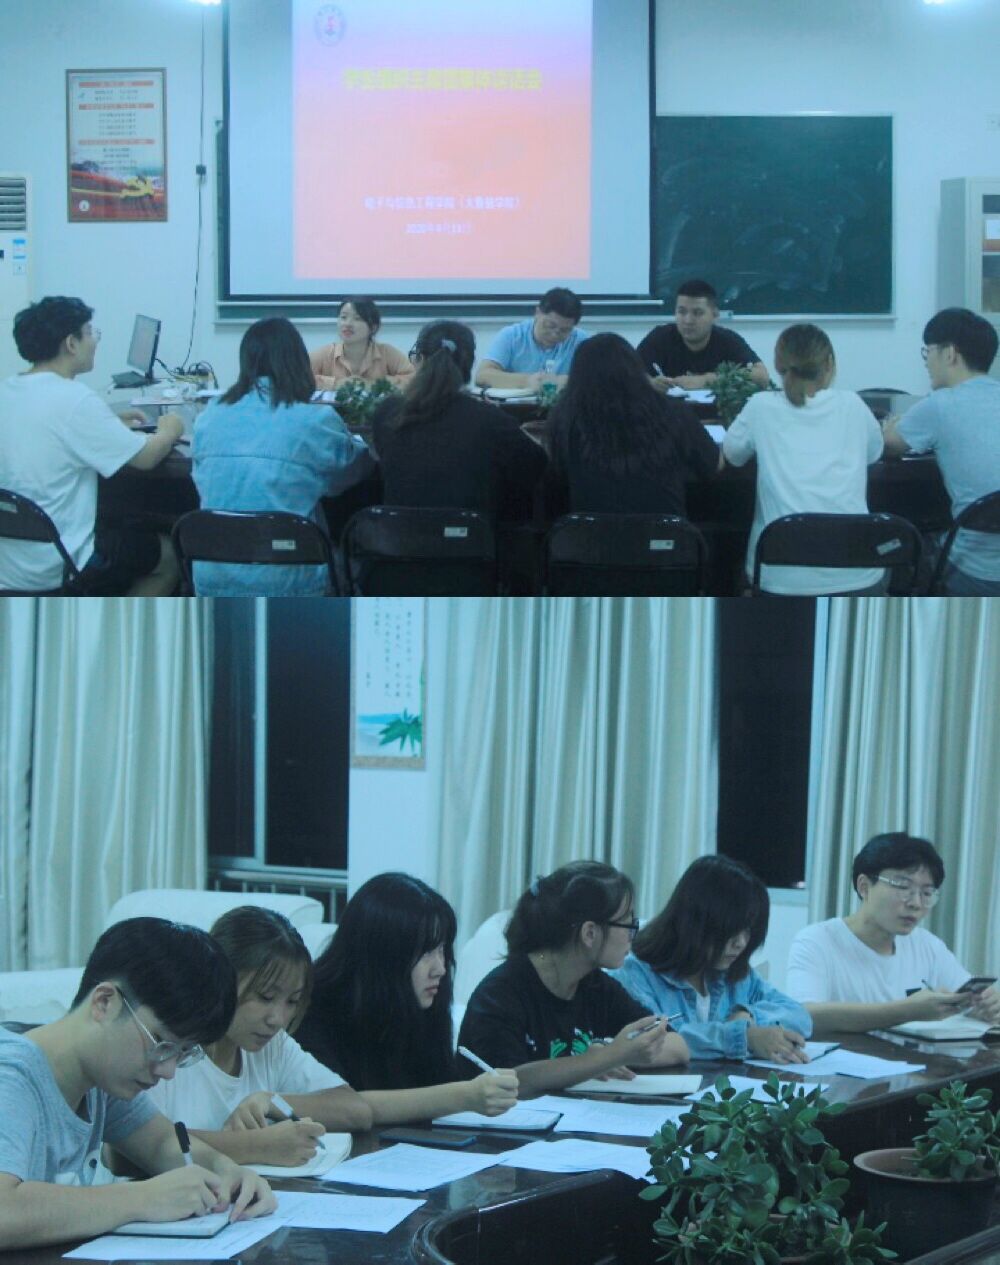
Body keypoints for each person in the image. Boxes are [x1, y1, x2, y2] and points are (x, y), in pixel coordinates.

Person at [0, 917, 276, 1251]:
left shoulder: (98, 1078)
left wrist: (228, 1172)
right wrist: (144, 1197)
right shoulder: (11, 1075)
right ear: (105, 1002)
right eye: (161, 1043)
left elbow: (161, 1143)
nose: (168, 1070)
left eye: (183, 1053)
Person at [147, 907, 372, 1166]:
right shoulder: (170, 1044)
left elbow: (356, 1110)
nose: (278, 1019)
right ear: (223, 977)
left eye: (292, 1001)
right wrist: (256, 1146)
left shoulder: (272, 1045)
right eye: (265, 997)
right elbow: (131, 1148)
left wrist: (272, 1101)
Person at [295, 874, 518, 1123]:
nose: (440, 969)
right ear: (382, 955)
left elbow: (435, 1086)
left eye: (442, 949)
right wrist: (464, 1095)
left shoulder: (423, 1004)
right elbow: (340, 1106)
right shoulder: (314, 1010)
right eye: (426, 952)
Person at [0, 296, 183, 595]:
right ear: (71, 343)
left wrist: (106, 423)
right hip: (58, 563)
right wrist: (169, 429)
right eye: (90, 332)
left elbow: (48, 430)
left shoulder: (7, 390)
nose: (95, 340)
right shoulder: (75, 400)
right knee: (171, 556)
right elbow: (147, 457)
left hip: (9, 564)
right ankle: (117, 626)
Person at [457, 862, 690, 1096]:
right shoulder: (501, 993)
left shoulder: (596, 986)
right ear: (590, 933)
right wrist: (607, 1057)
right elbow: (509, 1081)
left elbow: (678, 1046)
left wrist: (607, 1055)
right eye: (628, 924)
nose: (633, 935)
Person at [191, 316, 374, 595]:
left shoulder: (209, 415)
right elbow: (348, 476)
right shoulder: (315, 420)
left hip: (211, 576)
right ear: (298, 362)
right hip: (289, 579)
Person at [722, 322, 885, 595]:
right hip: (856, 574)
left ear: (778, 365)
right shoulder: (853, 405)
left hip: (779, 578)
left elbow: (733, 455)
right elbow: (874, 454)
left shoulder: (761, 407)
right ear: (829, 364)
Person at [786, 832, 1000, 1038]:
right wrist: (907, 1011)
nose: (916, 903)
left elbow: (964, 995)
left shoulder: (926, 945)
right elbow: (805, 1015)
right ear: (864, 887)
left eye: (926, 893)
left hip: (910, 1061)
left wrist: (979, 1008)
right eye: (903, 887)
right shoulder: (817, 941)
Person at [611, 856, 811, 1063]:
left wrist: (747, 1015)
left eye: (748, 931)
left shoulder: (736, 973)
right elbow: (655, 1040)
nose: (741, 943)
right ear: (695, 922)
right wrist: (743, 1037)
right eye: (732, 929)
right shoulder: (634, 974)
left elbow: (799, 1016)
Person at [371, 320, 547, 522]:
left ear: (419, 359)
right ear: (469, 365)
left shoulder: (388, 412)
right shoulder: (491, 420)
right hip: (472, 539)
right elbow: (537, 467)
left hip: (398, 536)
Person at [882, 307, 1000, 595]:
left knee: (899, 542)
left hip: (975, 574)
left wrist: (891, 426)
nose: (926, 361)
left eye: (929, 351)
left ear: (950, 354)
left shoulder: (939, 405)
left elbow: (889, 444)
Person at [545, 332, 721, 515]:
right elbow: (713, 465)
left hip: (587, 532)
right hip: (664, 531)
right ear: (636, 369)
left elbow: (558, 472)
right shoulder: (675, 411)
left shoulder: (565, 416)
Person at [636, 280, 769, 393]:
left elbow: (762, 376)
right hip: (669, 412)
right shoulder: (660, 337)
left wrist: (706, 380)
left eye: (697, 313)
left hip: (716, 413)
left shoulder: (728, 340)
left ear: (714, 315)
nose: (688, 320)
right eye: (682, 312)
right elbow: (629, 373)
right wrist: (651, 383)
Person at [474, 288, 589, 391]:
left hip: (562, 407)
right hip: (515, 406)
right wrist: (527, 381)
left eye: (564, 330)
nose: (555, 334)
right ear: (537, 313)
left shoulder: (582, 342)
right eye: (550, 325)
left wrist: (569, 382)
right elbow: (482, 376)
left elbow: (594, 380)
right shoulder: (512, 336)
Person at [309, 298, 414, 391]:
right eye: (343, 317)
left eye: (357, 318)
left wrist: (373, 384)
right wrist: (336, 384)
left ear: (373, 327)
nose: (348, 324)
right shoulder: (325, 354)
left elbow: (413, 380)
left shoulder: (387, 353)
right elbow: (301, 379)